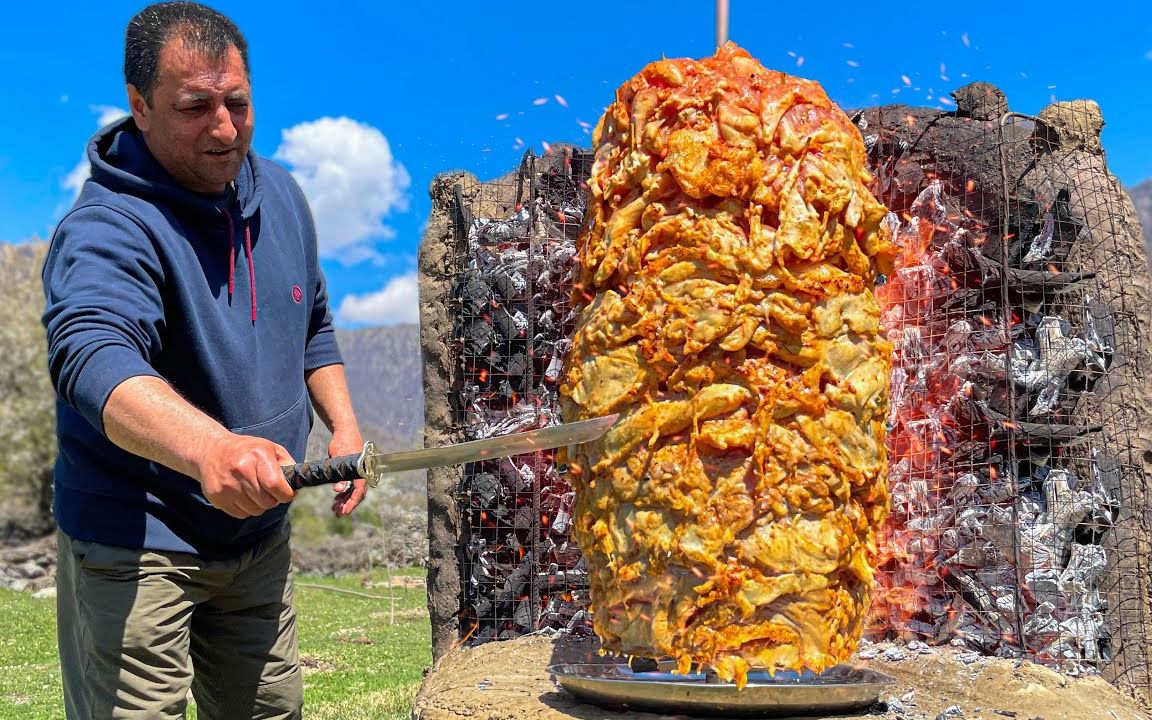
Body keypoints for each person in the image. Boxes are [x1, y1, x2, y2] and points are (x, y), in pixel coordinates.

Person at [41, 3, 367, 718]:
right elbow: (92, 356)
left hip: (257, 541)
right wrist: (210, 449)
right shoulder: (107, 227)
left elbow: (312, 325)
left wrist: (342, 426)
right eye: (195, 107)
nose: (224, 128)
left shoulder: (280, 193)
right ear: (141, 105)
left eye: (237, 103)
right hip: (138, 545)